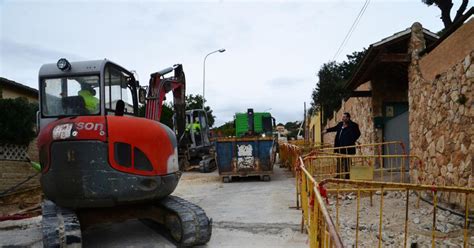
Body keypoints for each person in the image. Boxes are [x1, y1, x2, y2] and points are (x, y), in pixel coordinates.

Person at [324, 112, 361, 179]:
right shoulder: (340, 124)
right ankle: (339, 175)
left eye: (344, 117)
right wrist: (326, 130)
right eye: (342, 117)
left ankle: (347, 176)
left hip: (348, 148)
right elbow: (334, 128)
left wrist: (352, 140)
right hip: (339, 147)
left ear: (348, 118)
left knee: (347, 162)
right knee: (339, 162)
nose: (342, 118)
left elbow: (358, 133)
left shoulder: (353, 125)